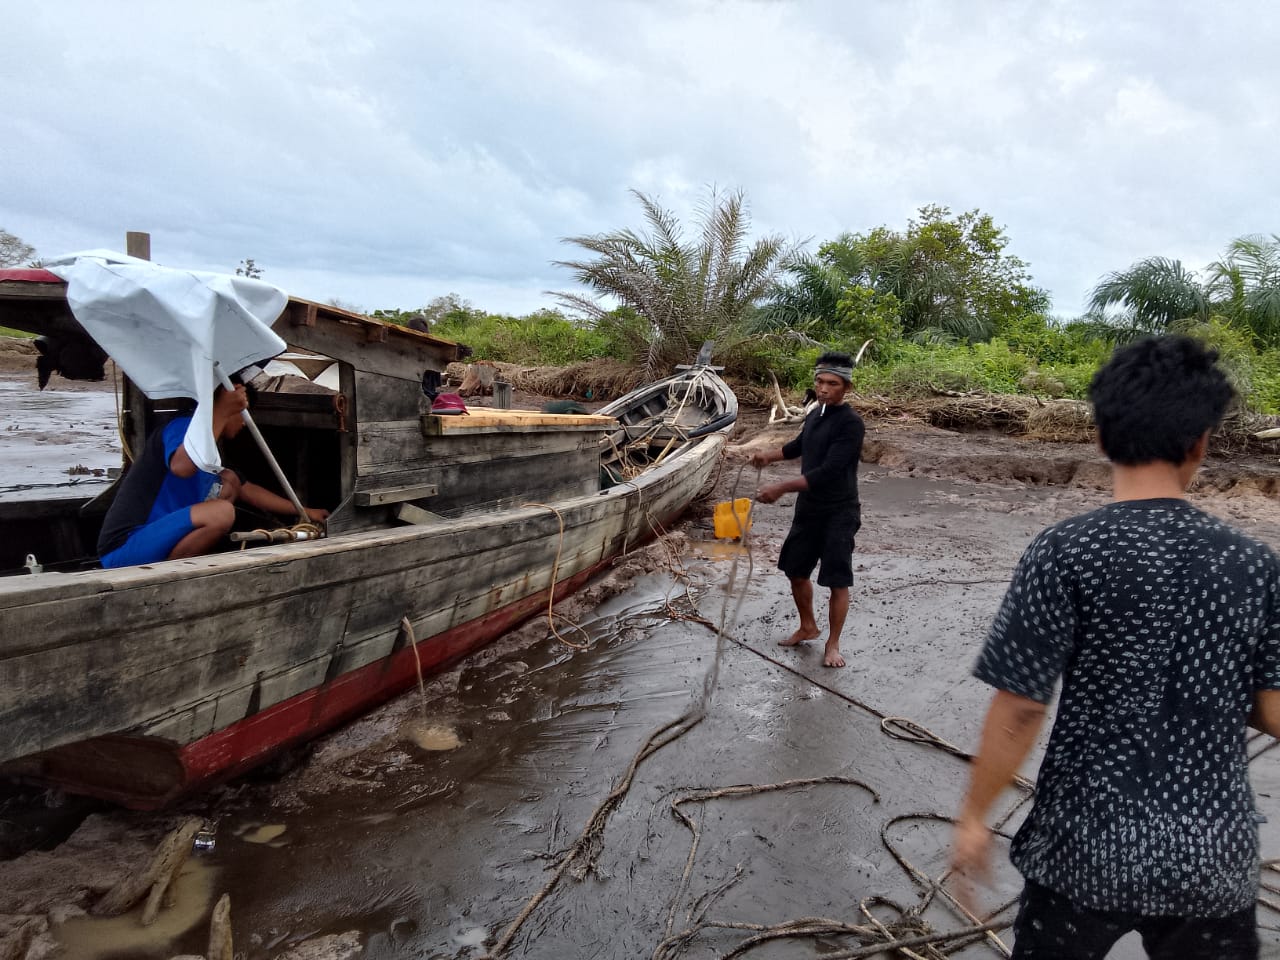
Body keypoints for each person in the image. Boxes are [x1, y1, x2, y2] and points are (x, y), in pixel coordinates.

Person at [951, 335, 1280, 960]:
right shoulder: (1253, 564)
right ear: (1200, 443)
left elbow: (1020, 706)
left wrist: (973, 818)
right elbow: (1271, 710)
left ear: (1101, 437)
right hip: (1210, 858)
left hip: (1082, 850)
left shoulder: (1065, 551)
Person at [98, 383, 329, 569]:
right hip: (125, 547)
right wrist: (222, 409)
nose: (244, 425)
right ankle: (170, 576)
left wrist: (305, 511)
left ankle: (174, 568)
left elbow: (248, 490)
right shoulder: (184, 427)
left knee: (229, 484)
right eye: (244, 415)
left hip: (154, 543)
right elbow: (182, 466)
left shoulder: (214, 456)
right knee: (221, 512)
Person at [750, 351, 865, 668]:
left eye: (832, 383)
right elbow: (799, 446)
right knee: (796, 571)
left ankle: (833, 644)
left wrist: (780, 487)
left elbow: (828, 471)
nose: (824, 388)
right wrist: (768, 456)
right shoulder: (816, 415)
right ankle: (807, 626)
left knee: (837, 580)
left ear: (847, 388)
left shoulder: (851, 425)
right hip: (809, 509)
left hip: (840, 511)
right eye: (819, 381)